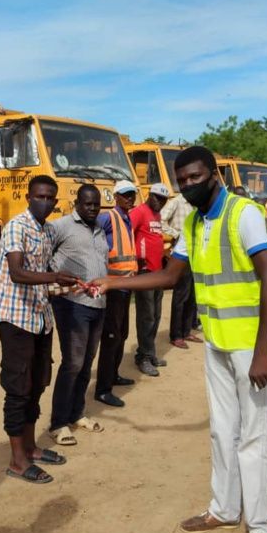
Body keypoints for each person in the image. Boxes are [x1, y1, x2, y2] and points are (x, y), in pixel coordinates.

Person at [91, 146, 267, 533]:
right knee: (224, 429)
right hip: (220, 340)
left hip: (254, 342)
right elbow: (169, 275)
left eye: (194, 178)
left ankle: (261, 528)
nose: (187, 186)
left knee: (254, 435)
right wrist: (112, 283)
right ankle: (223, 510)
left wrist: (261, 354)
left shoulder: (244, 214)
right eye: (182, 180)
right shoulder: (195, 220)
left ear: (214, 175)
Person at [0, 175, 77, 483]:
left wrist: (65, 287)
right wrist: (55, 276)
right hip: (16, 320)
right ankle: (17, 461)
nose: (44, 202)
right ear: (28, 197)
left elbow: (42, 279)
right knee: (18, 388)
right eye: (38, 196)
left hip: (40, 319)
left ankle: (30, 448)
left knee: (38, 382)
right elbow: (17, 273)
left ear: (55, 202)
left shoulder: (44, 232)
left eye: (49, 198)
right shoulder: (17, 227)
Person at [45, 185, 109, 446]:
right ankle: (58, 423)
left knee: (86, 363)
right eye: (88, 204)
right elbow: (42, 256)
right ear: (77, 203)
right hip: (72, 305)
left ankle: (76, 414)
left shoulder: (100, 229)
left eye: (96, 205)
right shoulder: (60, 227)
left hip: (98, 305)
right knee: (72, 363)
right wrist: (53, 286)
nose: (93, 208)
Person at [94, 180, 139, 408]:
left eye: (132, 195)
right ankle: (102, 390)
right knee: (111, 338)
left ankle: (113, 375)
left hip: (125, 287)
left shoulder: (126, 217)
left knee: (121, 334)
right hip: (112, 288)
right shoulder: (108, 217)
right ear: (116, 197)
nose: (129, 198)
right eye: (125, 195)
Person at [131, 182, 170, 376]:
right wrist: (135, 259)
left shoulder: (157, 214)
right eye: (157, 197)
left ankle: (150, 352)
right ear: (149, 195)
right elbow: (127, 233)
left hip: (158, 273)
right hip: (145, 272)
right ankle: (143, 357)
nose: (160, 202)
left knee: (155, 315)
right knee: (146, 316)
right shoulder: (139, 212)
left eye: (163, 199)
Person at [161, 192, 201, 348]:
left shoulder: (195, 203)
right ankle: (176, 334)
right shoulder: (177, 201)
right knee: (180, 295)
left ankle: (186, 331)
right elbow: (161, 219)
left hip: (195, 252)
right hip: (181, 253)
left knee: (192, 294)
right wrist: (176, 234)